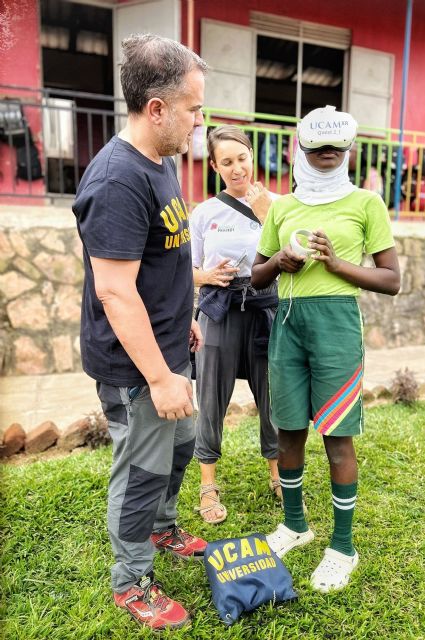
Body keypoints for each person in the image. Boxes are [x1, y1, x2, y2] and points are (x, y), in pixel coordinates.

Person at [72, 35, 208, 631]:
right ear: (157, 109)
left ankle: (163, 526)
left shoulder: (161, 161)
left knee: (179, 450)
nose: (199, 122)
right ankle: (132, 581)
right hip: (137, 369)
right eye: (194, 109)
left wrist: (188, 323)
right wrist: (158, 375)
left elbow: (167, 259)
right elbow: (116, 292)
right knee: (141, 472)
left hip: (173, 348)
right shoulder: (117, 181)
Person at [251, 105, 400, 593]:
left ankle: (343, 546)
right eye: (318, 147)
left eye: (337, 146)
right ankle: (295, 525)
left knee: (337, 437)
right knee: (288, 429)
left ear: (350, 149)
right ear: (303, 149)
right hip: (288, 325)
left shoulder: (366, 203)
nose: (328, 154)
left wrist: (337, 265)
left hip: (337, 325)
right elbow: (254, 278)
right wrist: (278, 261)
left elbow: (391, 279)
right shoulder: (282, 206)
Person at [190, 125, 280, 524]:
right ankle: (207, 484)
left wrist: (268, 217)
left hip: (265, 309)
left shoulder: (278, 204)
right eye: (226, 162)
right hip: (219, 309)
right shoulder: (204, 213)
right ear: (215, 166)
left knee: (273, 397)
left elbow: (296, 259)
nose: (237, 168)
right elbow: (184, 271)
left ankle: (281, 475)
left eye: (241, 158)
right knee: (210, 398)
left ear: (251, 154)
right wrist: (207, 277)